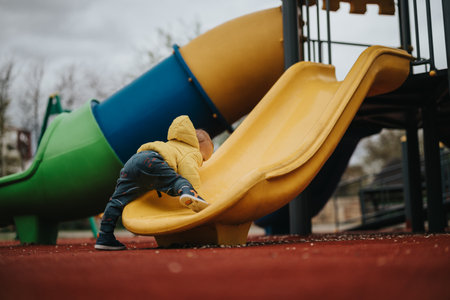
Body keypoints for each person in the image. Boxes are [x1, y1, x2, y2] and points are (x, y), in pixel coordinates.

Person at [95, 115, 214, 250]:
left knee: (117, 201)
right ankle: (189, 192)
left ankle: (104, 236)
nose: (201, 162)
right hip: (153, 161)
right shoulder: (192, 151)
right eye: (203, 159)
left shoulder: (171, 144)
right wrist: (194, 189)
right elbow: (189, 170)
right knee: (178, 181)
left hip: (133, 162)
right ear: (199, 148)